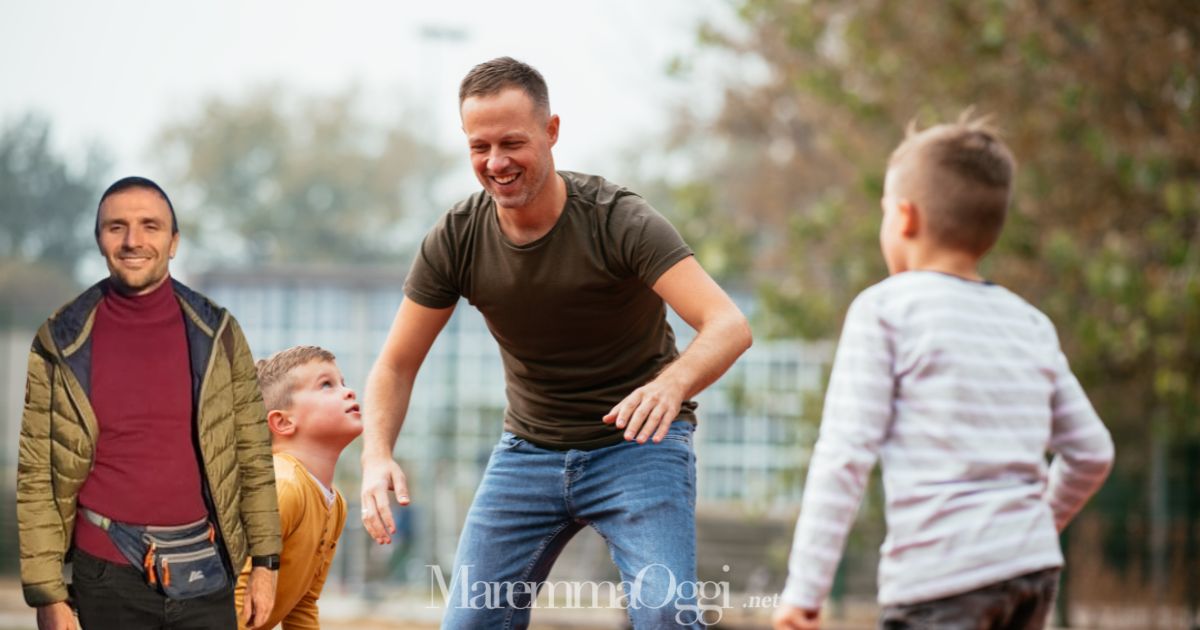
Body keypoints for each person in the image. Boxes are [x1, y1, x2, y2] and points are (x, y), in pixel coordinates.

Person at [360, 57, 752, 629]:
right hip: (528, 451)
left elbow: (728, 324)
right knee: (469, 621)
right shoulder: (457, 237)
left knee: (666, 612)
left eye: (512, 142)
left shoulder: (619, 221)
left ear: (551, 132)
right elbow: (395, 365)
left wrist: (672, 385)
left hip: (638, 450)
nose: (495, 163)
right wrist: (376, 456)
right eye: (479, 146)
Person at [772, 115, 1115, 630]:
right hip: (1032, 572)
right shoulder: (1031, 323)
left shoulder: (885, 310)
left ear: (905, 218)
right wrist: (1035, 523)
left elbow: (845, 455)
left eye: (883, 211)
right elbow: (1092, 452)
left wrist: (804, 591)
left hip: (941, 578)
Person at [17, 176, 282, 630]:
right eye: (116, 227)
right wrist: (47, 593)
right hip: (105, 575)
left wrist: (266, 564)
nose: (133, 240)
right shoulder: (60, 339)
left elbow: (252, 457)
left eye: (150, 226)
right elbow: (38, 473)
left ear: (174, 242)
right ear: (99, 239)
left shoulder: (218, 332)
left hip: (206, 572)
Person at [233, 346, 363, 629]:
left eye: (343, 381)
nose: (349, 391)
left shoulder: (334, 503)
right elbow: (235, 594)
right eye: (326, 385)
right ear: (282, 421)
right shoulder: (282, 486)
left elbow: (303, 604)